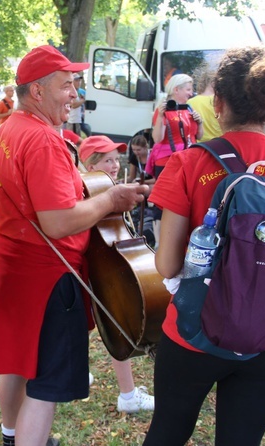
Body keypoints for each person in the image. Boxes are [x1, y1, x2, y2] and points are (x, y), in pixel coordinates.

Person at [144, 46, 265, 445]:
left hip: (193, 334)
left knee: (167, 433)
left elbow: (166, 265)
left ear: (218, 101)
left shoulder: (189, 164)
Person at [0, 45, 149, 446]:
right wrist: (110, 199)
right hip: (47, 275)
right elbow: (56, 223)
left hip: (14, 264)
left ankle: (10, 435)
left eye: (75, 83)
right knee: (47, 384)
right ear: (37, 92)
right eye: (66, 84)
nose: (74, 92)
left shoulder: (5, 130)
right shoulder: (42, 140)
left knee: (19, 362)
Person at [79, 135, 155, 414]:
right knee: (117, 325)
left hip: (100, 264)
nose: (115, 165)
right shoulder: (95, 189)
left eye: (117, 159)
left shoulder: (104, 187)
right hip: (98, 268)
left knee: (102, 325)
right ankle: (128, 394)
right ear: (90, 164)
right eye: (108, 160)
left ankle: (84, 375)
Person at [147, 74, 204, 179]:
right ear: (176, 90)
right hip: (167, 161)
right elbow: (157, 139)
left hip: (188, 159)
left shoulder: (188, 109)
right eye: (188, 90)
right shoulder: (163, 110)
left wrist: (200, 122)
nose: (191, 94)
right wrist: (160, 116)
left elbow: (199, 136)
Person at [187, 63, 222, 142]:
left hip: (200, 145)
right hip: (220, 144)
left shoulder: (190, 102)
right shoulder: (221, 101)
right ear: (214, 83)